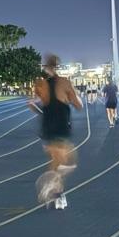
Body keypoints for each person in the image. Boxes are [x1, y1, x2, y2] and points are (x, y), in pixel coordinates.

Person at [30, 53, 83, 210]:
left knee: (57, 161)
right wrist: (74, 97)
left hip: (47, 128)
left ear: (46, 67)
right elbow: (78, 105)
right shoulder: (64, 82)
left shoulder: (41, 84)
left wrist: (42, 110)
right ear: (57, 65)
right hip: (61, 125)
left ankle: (58, 195)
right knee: (70, 161)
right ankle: (53, 190)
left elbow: (33, 105)